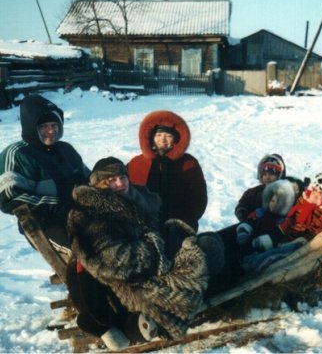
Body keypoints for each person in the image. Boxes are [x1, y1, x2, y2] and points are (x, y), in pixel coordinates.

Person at [67, 157, 222, 350]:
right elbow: (115, 261)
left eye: (122, 177)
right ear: (99, 184)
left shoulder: (139, 199)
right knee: (201, 261)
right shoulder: (90, 216)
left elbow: (157, 227)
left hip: (154, 262)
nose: (120, 183)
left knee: (211, 243)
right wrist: (157, 248)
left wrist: (172, 231)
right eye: (111, 180)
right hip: (133, 280)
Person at [0, 94, 90, 259]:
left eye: (54, 125)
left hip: (80, 216)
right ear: (31, 127)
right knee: (89, 254)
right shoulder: (18, 154)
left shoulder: (65, 149)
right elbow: (9, 197)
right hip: (44, 223)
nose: (51, 131)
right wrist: (59, 205)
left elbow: (89, 179)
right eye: (43, 126)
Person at [249, 170, 322, 265]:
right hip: (285, 231)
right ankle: (253, 250)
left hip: (301, 242)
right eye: (312, 192)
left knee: (275, 255)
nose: (313, 197)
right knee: (263, 239)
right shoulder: (302, 201)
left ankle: (254, 265)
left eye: (318, 196)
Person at [127, 110, 207, 231]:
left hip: (178, 226)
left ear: (176, 138)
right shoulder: (136, 164)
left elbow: (198, 199)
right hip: (141, 227)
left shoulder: (189, 163)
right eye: (158, 135)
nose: (162, 140)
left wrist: (180, 221)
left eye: (168, 136)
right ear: (151, 137)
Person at [234, 153, 286, 222]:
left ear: (279, 176)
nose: (268, 177)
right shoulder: (253, 192)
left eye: (271, 174)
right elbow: (242, 204)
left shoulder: (284, 193)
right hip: (252, 225)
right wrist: (242, 212)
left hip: (274, 227)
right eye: (265, 174)